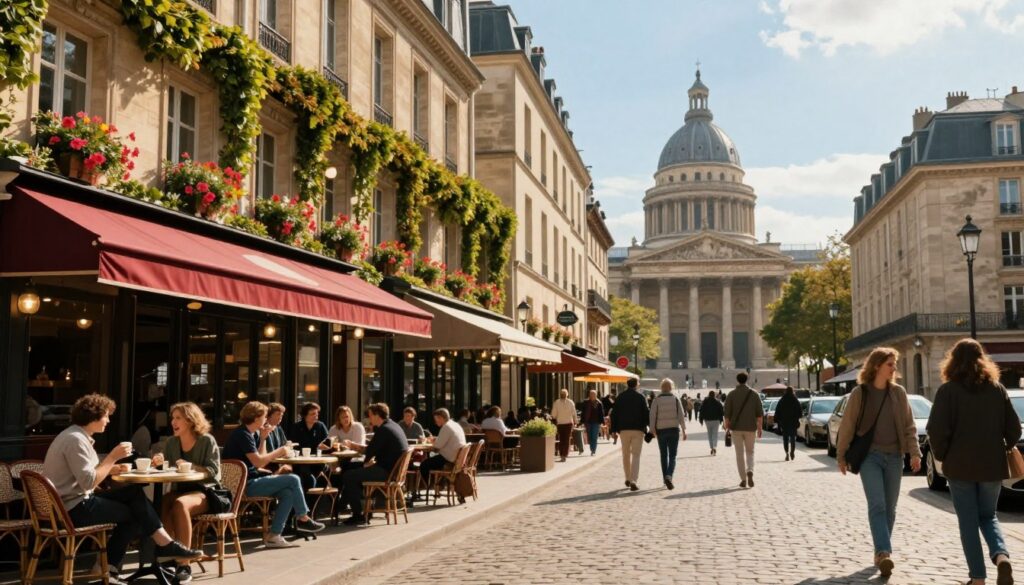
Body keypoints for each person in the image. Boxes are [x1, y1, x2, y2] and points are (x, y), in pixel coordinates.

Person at [42, 394, 202, 581]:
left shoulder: (75, 436)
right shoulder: (75, 440)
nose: (108, 421)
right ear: (94, 416)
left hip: (72, 502)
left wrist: (112, 467)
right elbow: (89, 482)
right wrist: (112, 458)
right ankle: (113, 567)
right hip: (73, 508)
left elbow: (87, 473)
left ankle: (113, 566)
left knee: (134, 494)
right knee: (136, 513)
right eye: (106, 416)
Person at [927, 339, 1020, 585]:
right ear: (983, 360)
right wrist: (1003, 446)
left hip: (959, 467)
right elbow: (1014, 429)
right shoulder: (996, 389)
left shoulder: (947, 391)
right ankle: (1001, 556)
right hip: (992, 465)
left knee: (968, 522)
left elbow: (934, 430)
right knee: (988, 516)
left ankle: (978, 578)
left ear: (953, 361)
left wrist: (944, 455)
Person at [836, 347, 922, 579]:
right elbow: (848, 426)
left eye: (894, 364)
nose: (894, 368)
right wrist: (841, 456)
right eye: (890, 364)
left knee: (890, 508)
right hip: (870, 457)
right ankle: (884, 552)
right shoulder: (860, 394)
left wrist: (914, 453)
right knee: (878, 505)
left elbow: (909, 425)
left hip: (894, 456)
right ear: (877, 366)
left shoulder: (899, 393)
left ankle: (880, 553)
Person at [222, 401, 325, 547]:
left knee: (288, 493)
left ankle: (274, 535)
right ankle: (303, 517)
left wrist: (263, 438)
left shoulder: (250, 433)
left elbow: (260, 461)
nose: (265, 419)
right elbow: (258, 462)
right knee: (293, 478)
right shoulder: (242, 434)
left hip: (250, 480)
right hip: (242, 485)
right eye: (264, 416)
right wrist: (280, 451)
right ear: (257, 418)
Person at [153, 402, 220, 583]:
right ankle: (166, 559)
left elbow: (213, 471)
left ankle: (184, 563)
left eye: (178, 418)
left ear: (190, 420)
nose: (173, 422)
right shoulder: (171, 442)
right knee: (163, 502)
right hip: (180, 489)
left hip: (205, 491)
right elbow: (166, 467)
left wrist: (191, 467)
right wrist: (159, 461)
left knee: (180, 504)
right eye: (172, 418)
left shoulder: (206, 440)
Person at [341, 403, 410, 524]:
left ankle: (358, 514)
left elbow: (369, 451)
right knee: (350, 468)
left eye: (370, 415)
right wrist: (364, 461)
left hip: (387, 472)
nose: (369, 418)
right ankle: (360, 508)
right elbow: (374, 450)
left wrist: (353, 447)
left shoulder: (384, 429)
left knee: (348, 476)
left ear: (377, 415)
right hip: (394, 471)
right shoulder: (393, 425)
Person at [724, 372, 763, 489]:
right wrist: (760, 428)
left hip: (736, 429)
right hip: (751, 428)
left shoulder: (731, 394)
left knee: (739, 454)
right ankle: (750, 470)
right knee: (750, 452)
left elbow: (727, 415)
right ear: (747, 380)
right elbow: (760, 414)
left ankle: (743, 479)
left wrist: (727, 428)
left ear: (737, 380)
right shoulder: (754, 394)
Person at [609, 377, 649, 491]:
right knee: (636, 455)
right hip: (638, 430)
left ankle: (627, 478)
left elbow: (614, 414)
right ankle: (633, 480)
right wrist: (649, 428)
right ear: (636, 385)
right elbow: (646, 413)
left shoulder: (620, 397)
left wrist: (613, 430)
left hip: (624, 430)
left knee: (626, 455)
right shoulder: (641, 397)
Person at [649, 379, 686, 489]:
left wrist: (652, 430)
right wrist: (684, 430)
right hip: (674, 430)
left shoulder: (656, 400)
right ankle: (669, 476)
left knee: (663, 455)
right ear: (671, 387)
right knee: (673, 455)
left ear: (661, 388)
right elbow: (681, 415)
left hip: (661, 431)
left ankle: (665, 478)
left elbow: (652, 416)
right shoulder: (675, 399)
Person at [419, 408, 468, 487]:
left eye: (436, 419)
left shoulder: (446, 427)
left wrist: (430, 441)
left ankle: (431, 486)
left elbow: (438, 446)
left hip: (448, 458)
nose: (435, 422)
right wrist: (436, 439)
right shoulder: (454, 424)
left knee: (424, 465)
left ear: (441, 418)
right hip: (456, 458)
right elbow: (445, 439)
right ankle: (440, 483)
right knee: (432, 459)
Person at [289, 402, 331, 492]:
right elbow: (293, 445)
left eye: (317, 413)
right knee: (308, 478)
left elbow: (328, 443)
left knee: (315, 479)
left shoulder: (320, 426)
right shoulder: (297, 427)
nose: (316, 416)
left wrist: (325, 446)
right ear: (304, 415)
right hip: (300, 462)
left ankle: (311, 502)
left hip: (317, 463)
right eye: (312, 414)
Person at [774, 387, 802, 461]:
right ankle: (792, 451)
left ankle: (786, 453)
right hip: (793, 422)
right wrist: (797, 418)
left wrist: (777, 421)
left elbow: (777, 411)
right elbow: (800, 411)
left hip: (784, 423)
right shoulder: (795, 400)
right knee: (793, 438)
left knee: (785, 439)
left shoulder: (782, 400)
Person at [551, 389, 578, 462]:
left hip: (561, 423)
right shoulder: (570, 402)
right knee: (566, 439)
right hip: (567, 423)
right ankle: (564, 455)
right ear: (567, 395)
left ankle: (563, 454)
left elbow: (553, 415)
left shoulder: (557, 402)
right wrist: (576, 421)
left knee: (562, 439)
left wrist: (554, 418)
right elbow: (574, 413)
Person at [580, 389, 605, 456]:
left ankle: (593, 450)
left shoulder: (599, 403)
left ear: (596, 395)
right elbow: (583, 413)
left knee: (594, 436)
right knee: (589, 436)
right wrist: (581, 421)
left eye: (593, 395)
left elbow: (601, 413)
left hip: (596, 422)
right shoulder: (586, 402)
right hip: (588, 422)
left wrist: (602, 422)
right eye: (591, 394)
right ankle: (592, 448)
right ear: (589, 395)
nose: (592, 396)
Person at [700, 390, 725, 455]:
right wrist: (722, 419)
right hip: (716, 420)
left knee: (709, 434)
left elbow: (701, 410)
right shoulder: (718, 402)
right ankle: (714, 447)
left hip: (707, 420)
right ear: (714, 395)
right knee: (715, 434)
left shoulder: (705, 401)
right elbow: (722, 411)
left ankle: (711, 447)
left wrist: (701, 419)